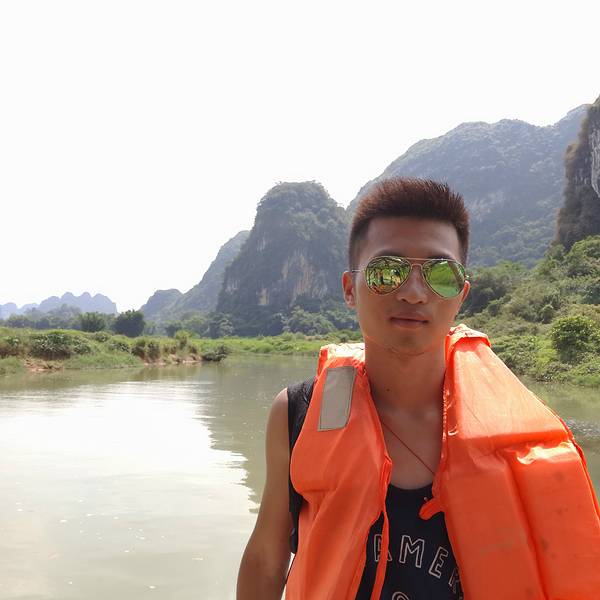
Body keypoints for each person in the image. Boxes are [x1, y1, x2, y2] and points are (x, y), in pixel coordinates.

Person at [237, 178, 600, 600]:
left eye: (440, 275)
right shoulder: (297, 413)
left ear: (461, 294)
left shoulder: (521, 436)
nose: (412, 293)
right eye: (386, 272)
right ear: (350, 290)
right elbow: (266, 558)